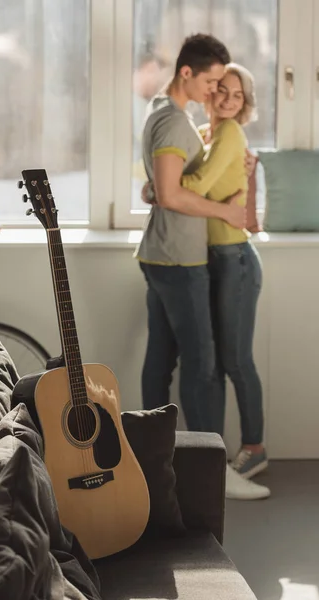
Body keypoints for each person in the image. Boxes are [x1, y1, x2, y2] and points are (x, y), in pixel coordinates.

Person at [134, 33, 269, 499]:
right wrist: (229, 212)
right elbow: (172, 192)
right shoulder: (176, 124)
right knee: (202, 365)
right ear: (186, 74)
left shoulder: (161, 109)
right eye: (213, 82)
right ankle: (212, 471)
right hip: (180, 257)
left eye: (226, 87)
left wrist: (156, 189)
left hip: (164, 253)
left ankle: (151, 461)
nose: (216, 92)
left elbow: (162, 186)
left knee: (163, 360)